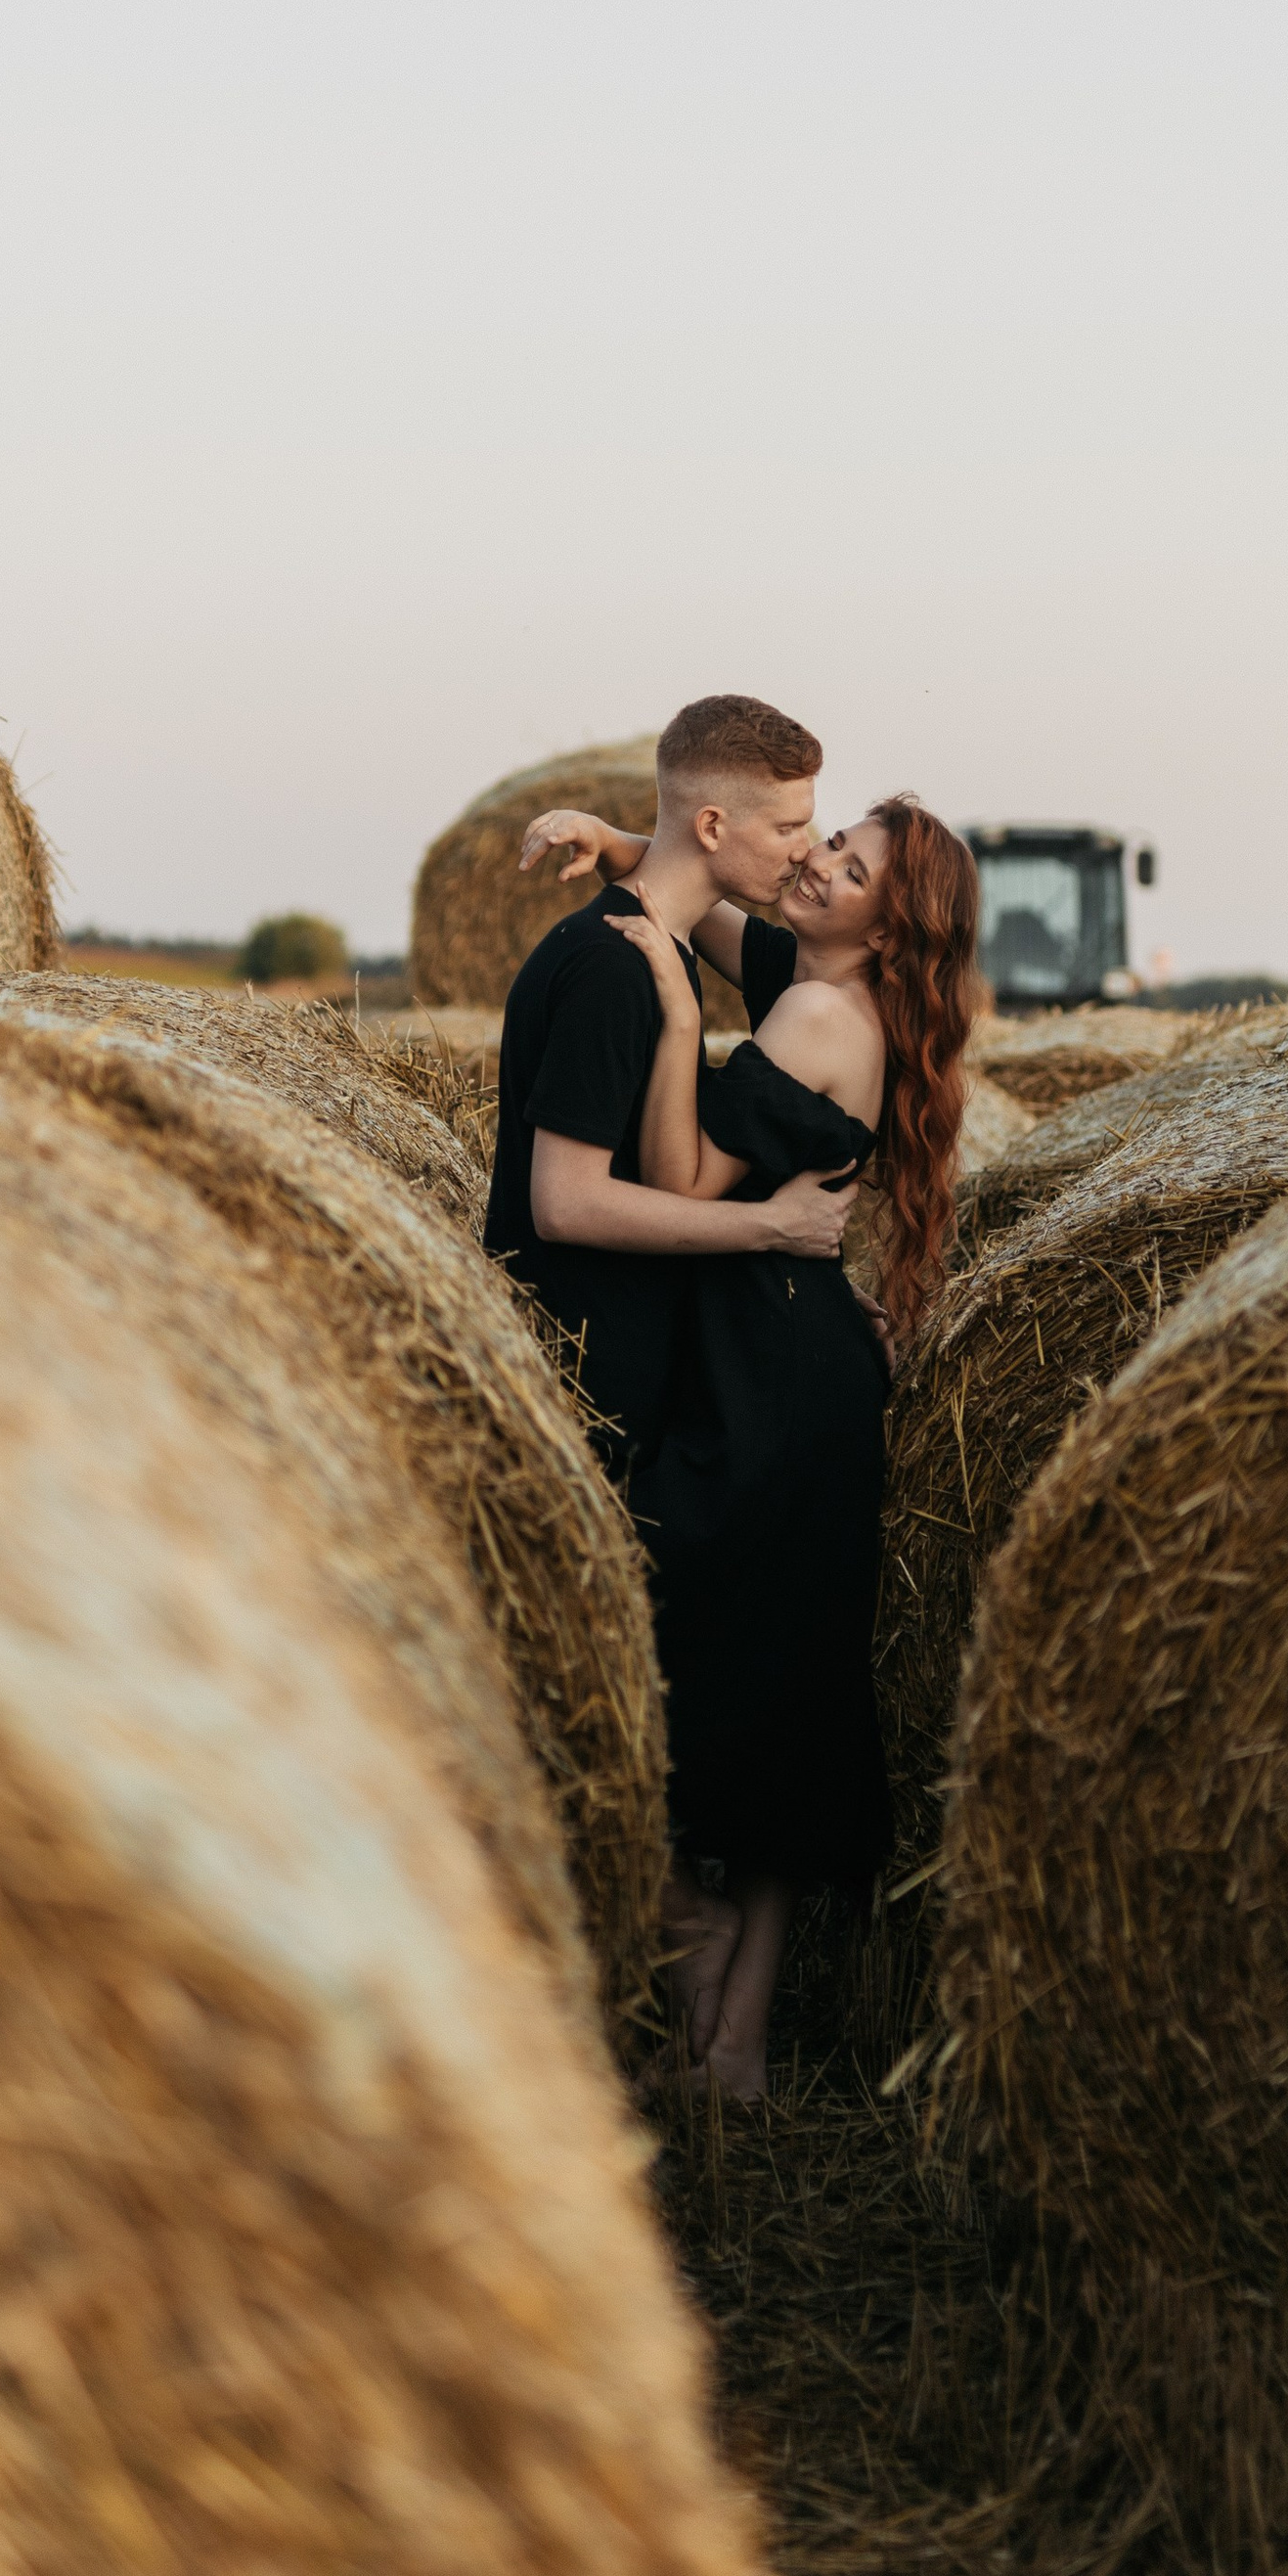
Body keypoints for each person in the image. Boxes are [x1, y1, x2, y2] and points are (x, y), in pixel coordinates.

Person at [519, 783, 981, 2097]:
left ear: (887, 930)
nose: (819, 863)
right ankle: (730, 2047)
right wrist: (625, 846)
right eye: (828, 843)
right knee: (792, 1692)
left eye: (849, 864)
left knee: (654, 1631)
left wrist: (671, 1019)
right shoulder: (827, 978)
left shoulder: (823, 1013)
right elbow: (721, 917)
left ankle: (689, 1932)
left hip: (771, 1386)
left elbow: (677, 1177)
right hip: (795, 1369)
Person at [482, 689, 853, 1516]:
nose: (806, 854)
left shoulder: (662, 950)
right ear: (714, 827)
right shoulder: (616, 968)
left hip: (624, 1376)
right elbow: (564, 1202)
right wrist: (772, 1229)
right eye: (789, 828)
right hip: (584, 1387)